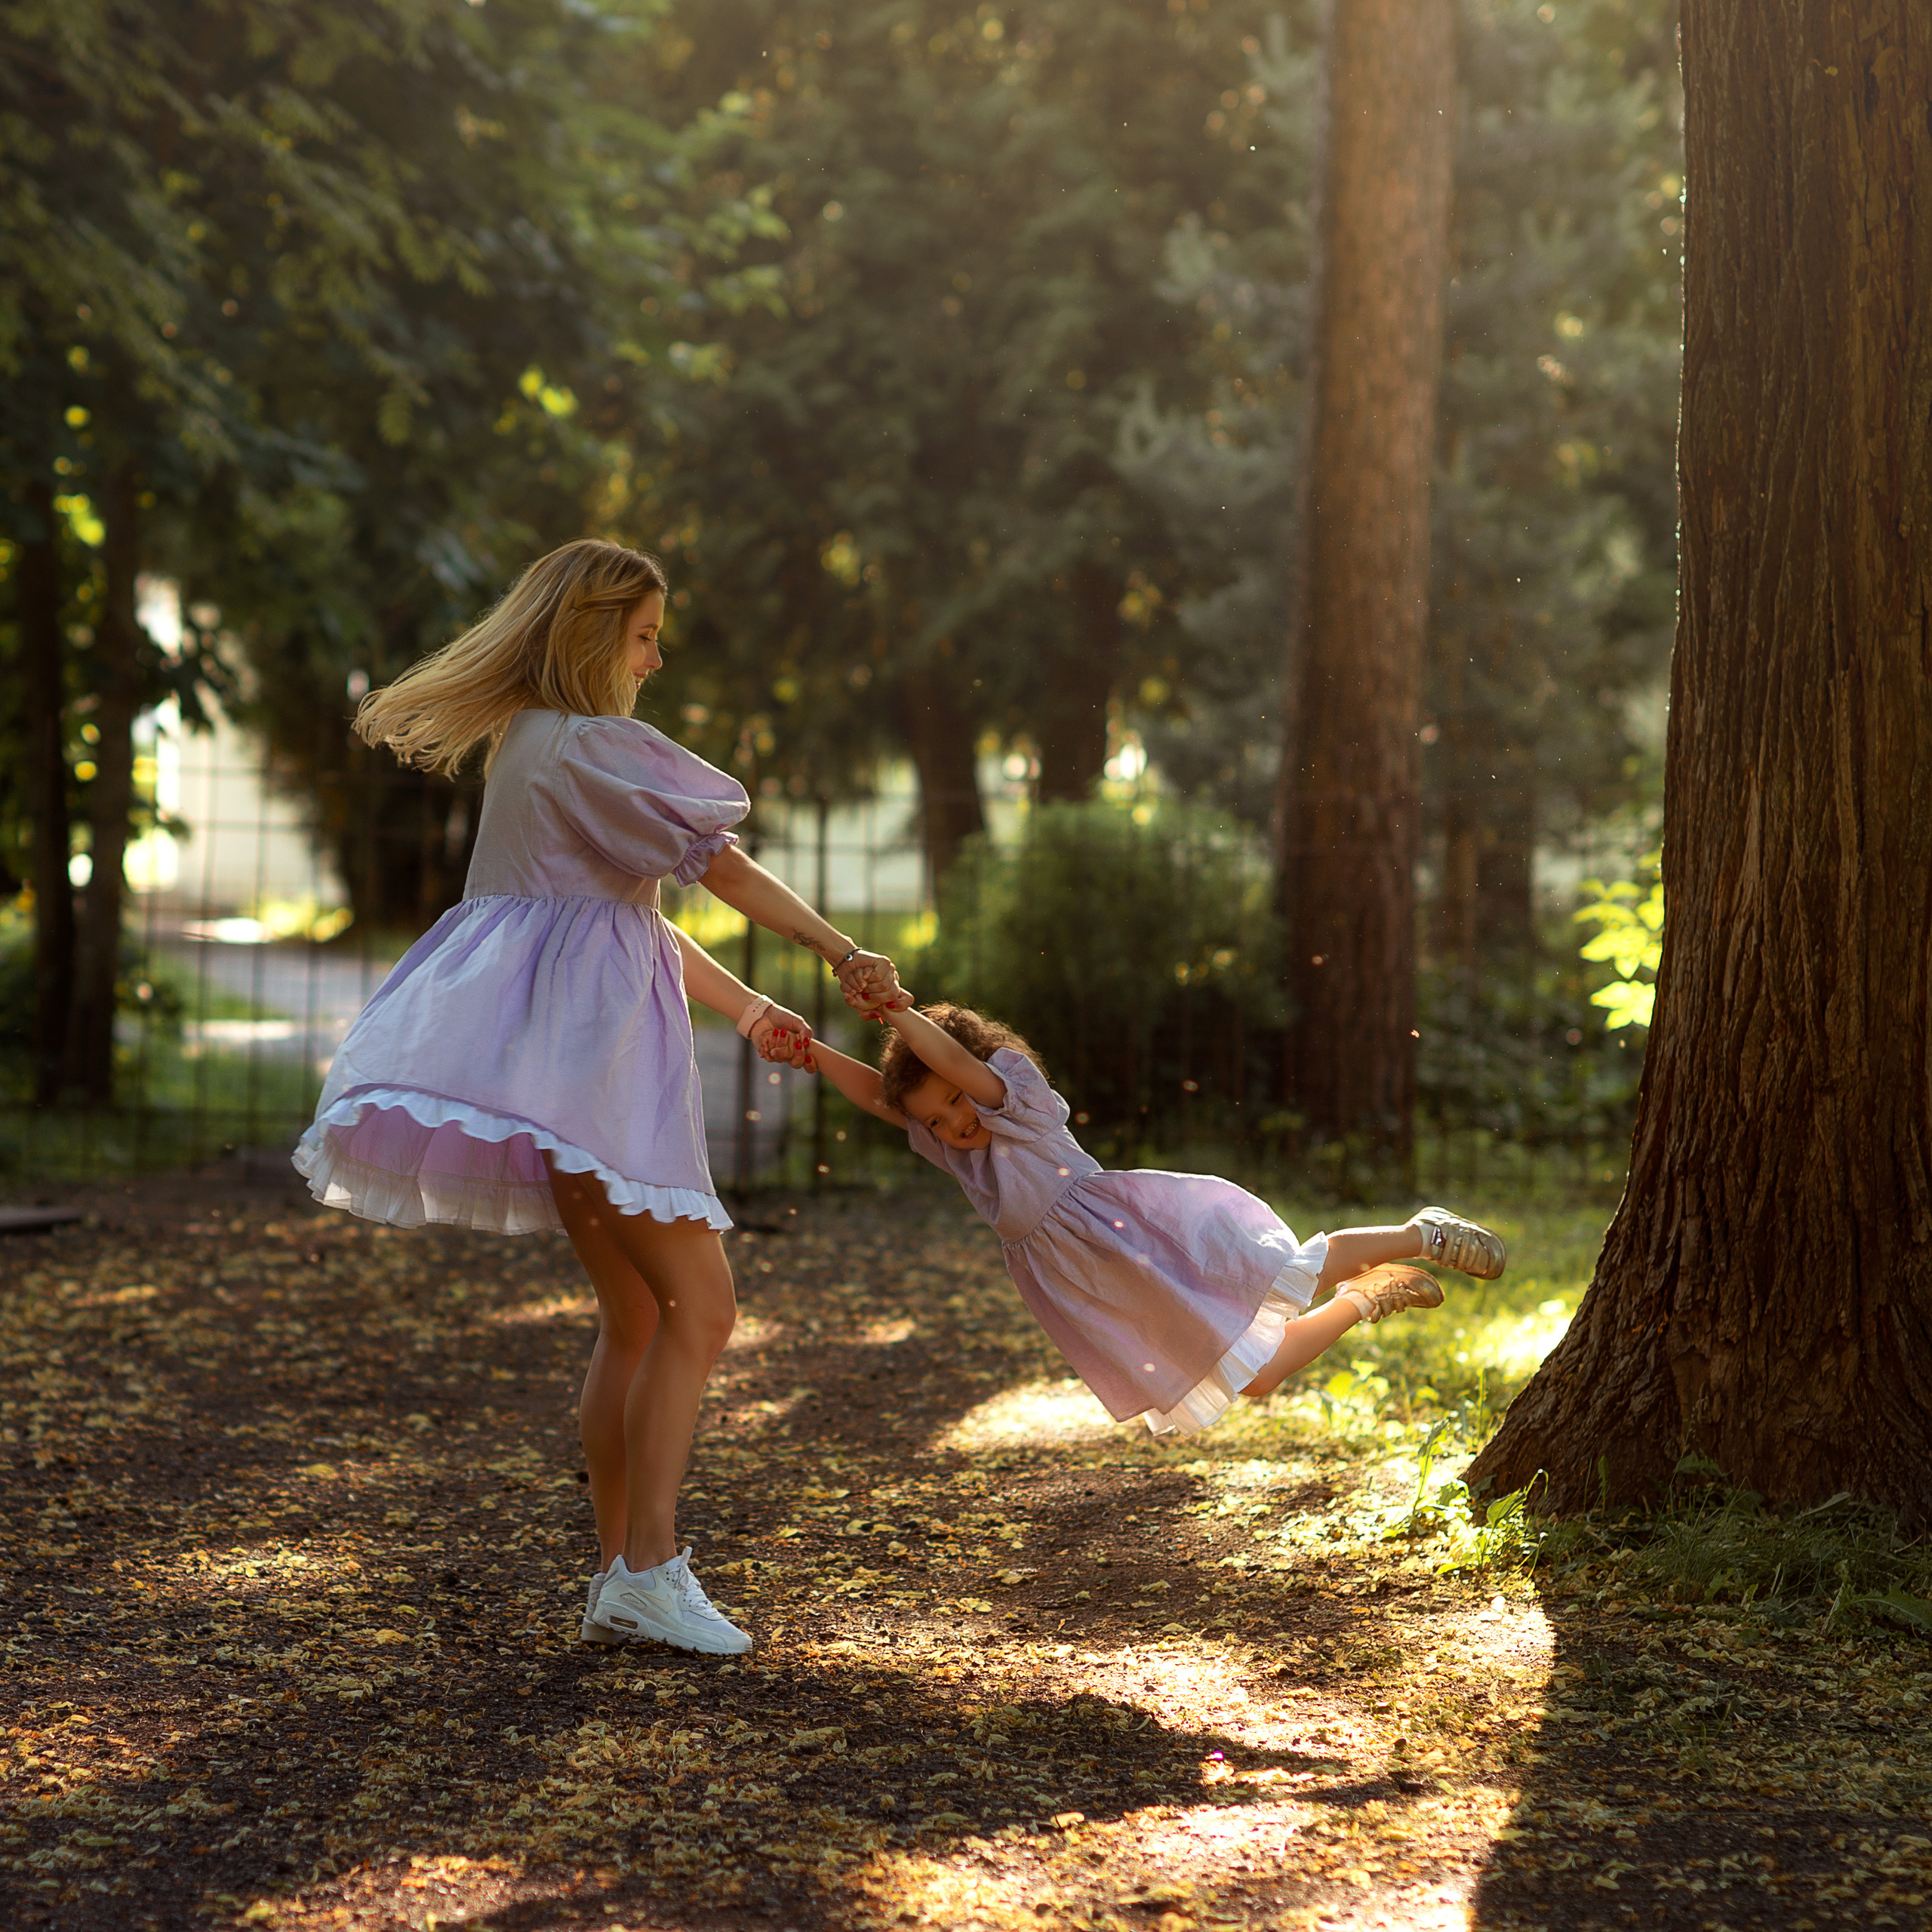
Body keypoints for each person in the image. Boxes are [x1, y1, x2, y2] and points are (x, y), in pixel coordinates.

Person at [294, 538, 894, 1654]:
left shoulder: (530, 746)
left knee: (637, 1318)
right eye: (644, 638)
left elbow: (625, 917)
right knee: (702, 1310)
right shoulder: (589, 745)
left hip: (568, 1080)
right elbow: (716, 867)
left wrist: (747, 1008)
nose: (655, 662)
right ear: (591, 635)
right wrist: (838, 949)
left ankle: (622, 1573)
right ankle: (650, 1569)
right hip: (600, 1082)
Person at [793, 993, 1506, 1435]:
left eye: (955, 1102)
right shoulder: (957, 1155)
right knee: (1256, 1378)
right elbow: (880, 1098)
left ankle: (1423, 1233)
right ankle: (1371, 1297)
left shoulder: (1014, 1105)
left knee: (1288, 1275)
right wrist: (809, 1049)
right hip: (1098, 1288)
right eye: (936, 1121)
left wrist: (895, 1011)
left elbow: (952, 1065)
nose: (953, 1123)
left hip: (1138, 1238)